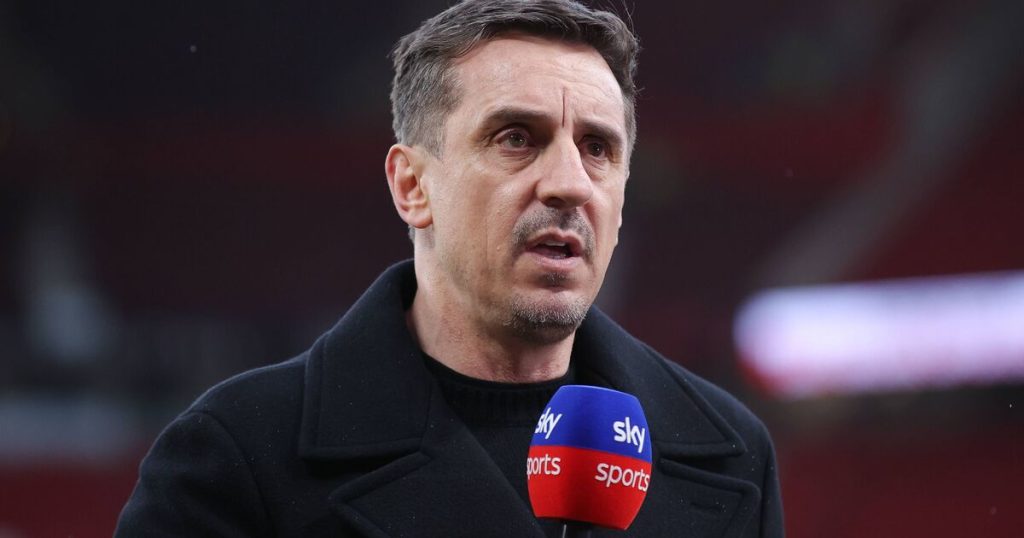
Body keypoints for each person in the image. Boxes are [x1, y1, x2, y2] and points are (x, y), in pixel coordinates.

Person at [115, 1, 784, 536]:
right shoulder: (238, 458)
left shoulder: (732, 454)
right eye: (516, 138)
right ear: (412, 186)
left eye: (598, 148)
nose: (569, 183)